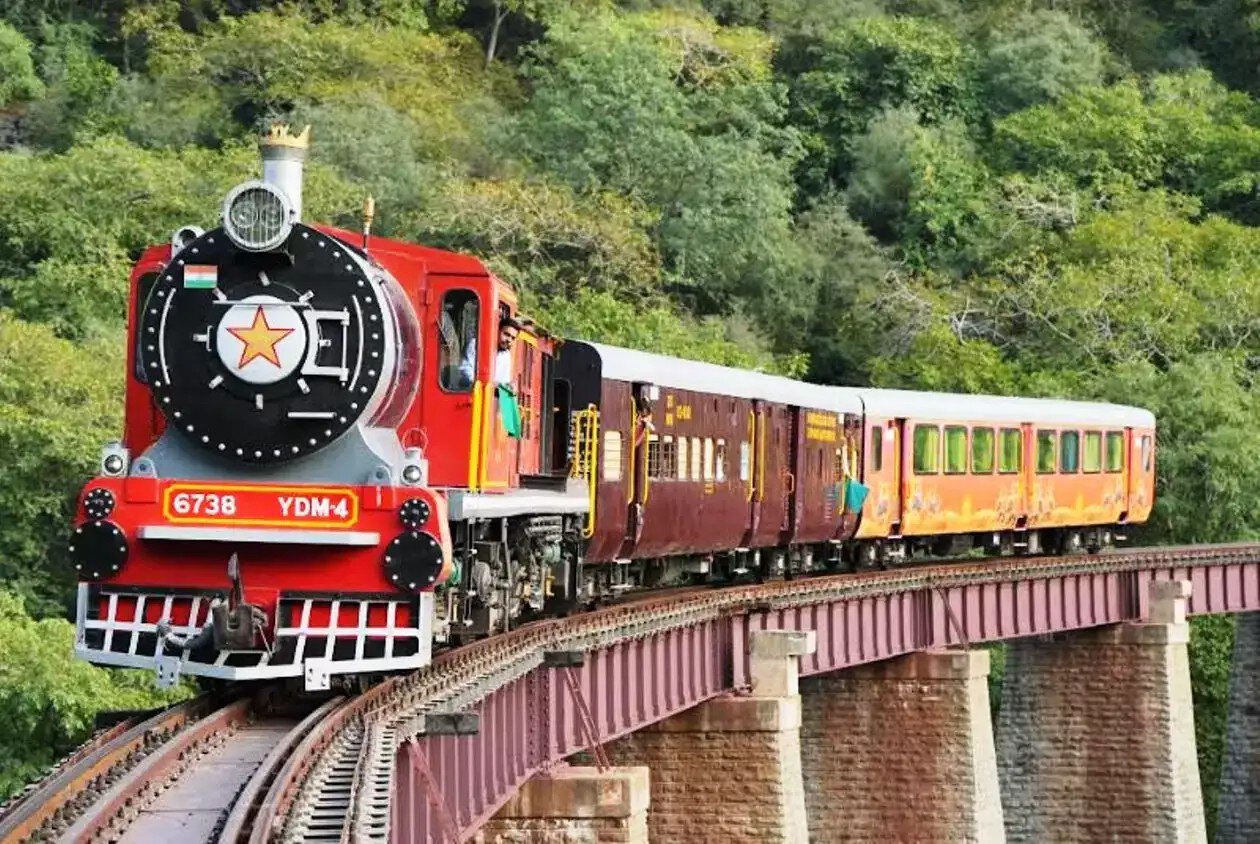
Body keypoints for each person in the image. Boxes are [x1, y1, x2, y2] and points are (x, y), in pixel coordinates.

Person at [455, 316, 521, 389]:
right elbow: (466, 371)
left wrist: (509, 386)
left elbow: (503, 381)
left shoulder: (506, 355)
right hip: (469, 393)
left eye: (513, 338)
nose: (509, 340)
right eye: (506, 334)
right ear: (497, 331)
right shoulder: (476, 344)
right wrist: (489, 384)